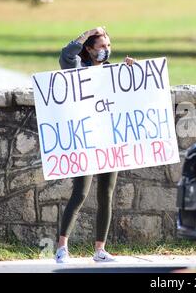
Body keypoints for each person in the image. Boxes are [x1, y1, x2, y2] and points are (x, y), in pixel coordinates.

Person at [54, 26, 134, 263]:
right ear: (89, 49)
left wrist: (132, 70)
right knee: (80, 193)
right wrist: (85, 33)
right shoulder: (78, 68)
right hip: (86, 139)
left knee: (106, 195)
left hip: (109, 139)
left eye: (109, 46)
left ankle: (100, 249)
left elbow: (132, 94)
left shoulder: (113, 72)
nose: (106, 51)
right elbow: (66, 57)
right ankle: (62, 248)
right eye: (101, 47)